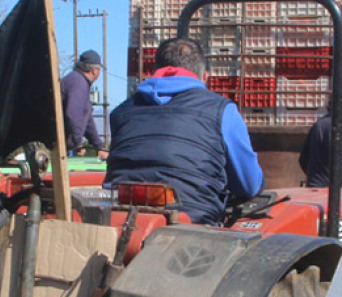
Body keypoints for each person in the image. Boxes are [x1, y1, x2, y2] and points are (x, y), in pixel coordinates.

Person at [104, 37, 263, 226]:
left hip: (121, 223)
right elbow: (248, 184)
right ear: (204, 76)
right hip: (194, 226)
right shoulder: (222, 110)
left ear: (155, 72)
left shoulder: (122, 112)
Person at [299, 86, 342, 188]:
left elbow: (303, 159)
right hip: (339, 192)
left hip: (315, 187)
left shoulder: (318, 125)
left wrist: (316, 177)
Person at [61, 50, 108, 159]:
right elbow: (73, 114)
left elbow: (87, 122)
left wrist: (99, 147)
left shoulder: (77, 80)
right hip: (54, 143)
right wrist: (76, 143)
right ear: (94, 71)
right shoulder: (78, 83)